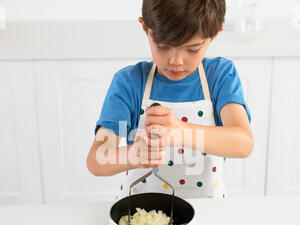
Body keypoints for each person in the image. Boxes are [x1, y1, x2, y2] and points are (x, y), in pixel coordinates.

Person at [86, 0, 254, 200]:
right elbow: (97, 160)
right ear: (145, 28)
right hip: (143, 217)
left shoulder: (219, 76)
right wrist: (134, 155)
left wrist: (180, 132)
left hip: (208, 212)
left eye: (192, 49)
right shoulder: (130, 83)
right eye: (163, 46)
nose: (176, 61)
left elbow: (243, 143)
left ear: (215, 34)